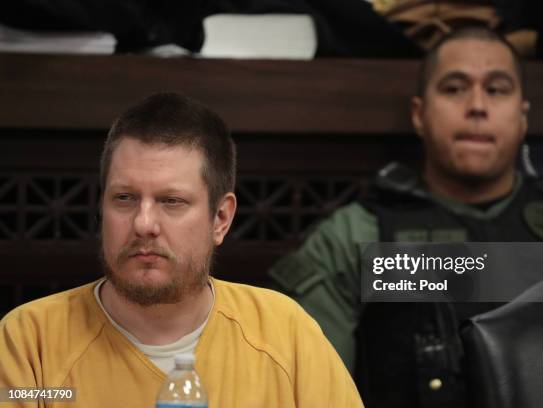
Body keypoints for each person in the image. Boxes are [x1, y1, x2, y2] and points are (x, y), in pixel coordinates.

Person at [268, 27, 543, 408]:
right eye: (454, 88)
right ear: (419, 114)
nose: (477, 105)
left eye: (496, 89)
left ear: (523, 115)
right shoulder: (353, 239)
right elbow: (309, 392)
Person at [0, 93, 363, 408]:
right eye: (124, 198)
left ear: (220, 218)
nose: (144, 223)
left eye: (171, 201)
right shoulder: (31, 341)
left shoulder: (286, 333)